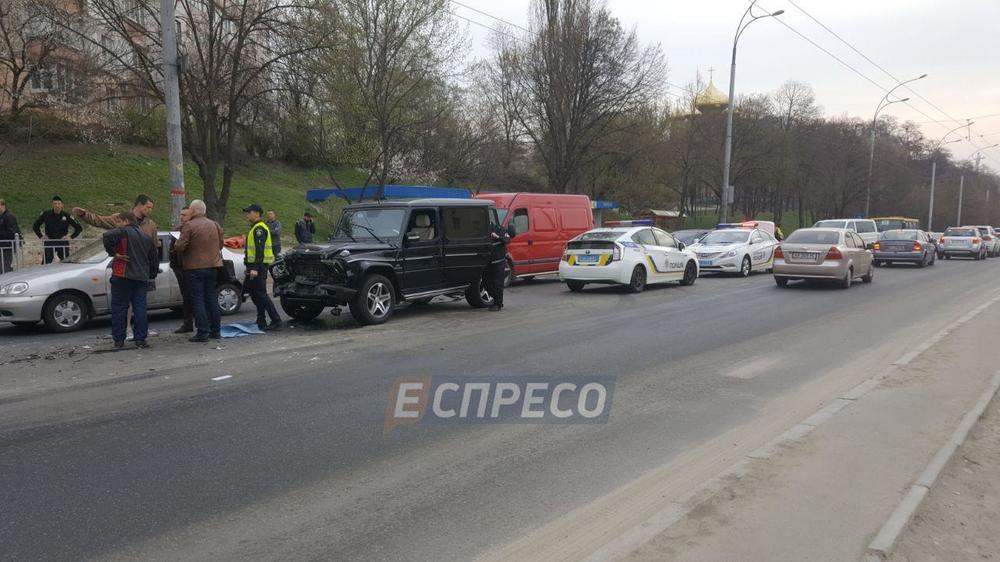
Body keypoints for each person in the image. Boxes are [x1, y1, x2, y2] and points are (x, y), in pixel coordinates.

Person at [74, 195, 160, 338]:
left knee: (138, 304)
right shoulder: (121, 219)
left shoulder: (150, 224)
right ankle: (127, 330)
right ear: (139, 205)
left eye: (151, 208)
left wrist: (152, 270)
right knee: (125, 304)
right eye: (148, 207)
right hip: (124, 269)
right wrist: (84, 215)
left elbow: (154, 247)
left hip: (141, 269)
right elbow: (100, 221)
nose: (150, 210)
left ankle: (138, 333)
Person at [102, 212, 159, 349]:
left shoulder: (123, 231)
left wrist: (114, 254)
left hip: (122, 275)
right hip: (141, 278)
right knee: (140, 308)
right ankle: (140, 339)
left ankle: (119, 339)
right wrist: (151, 274)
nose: (117, 224)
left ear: (125, 221)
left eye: (118, 221)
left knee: (120, 308)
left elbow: (107, 235)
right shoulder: (146, 237)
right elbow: (154, 259)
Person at [175, 200, 225, 342]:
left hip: (194, 268)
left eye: (190, 209)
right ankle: (215, 330)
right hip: (213, 267)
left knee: (198, 300)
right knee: (211, 299)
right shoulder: (215, 225)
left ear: (194, 210)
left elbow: (180, 246)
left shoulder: (189, 226)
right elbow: (221, 244)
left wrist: (177, 244)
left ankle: (202, 332)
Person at [243, 204, 282, 331]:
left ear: (256, 213)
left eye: (249, 212)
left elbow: (259, 251)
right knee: (255, 294)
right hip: (255, 266)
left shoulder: (259, 229)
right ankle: (261, 319)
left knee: (261, 294)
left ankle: (275, 320)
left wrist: (254, 268)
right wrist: (249, 266)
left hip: (259, 266)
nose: (247, 215)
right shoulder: (255, 227)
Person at [32, 195, 83, 264]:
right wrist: (41, 236)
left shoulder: (67, 215)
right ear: (52, 205)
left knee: (67, 263)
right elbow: (35, 226)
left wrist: (70, 237)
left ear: (62, 205)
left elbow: (79, 228)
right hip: (50, 241)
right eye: (55, 203)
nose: (57, 205)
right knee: (46, 263)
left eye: (59, 204)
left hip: (62, 242)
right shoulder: (46, 214)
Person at [169, 206, 194, 333]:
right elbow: (172, 251)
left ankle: (201, 324)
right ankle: (188, 323)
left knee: (196, 296)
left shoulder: (194, 229)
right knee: (186, 297)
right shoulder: (177, 231)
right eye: (181, 215)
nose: (181, 218)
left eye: (185, 215)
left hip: (194, 268)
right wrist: (175, 267)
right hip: (181, 269)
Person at [488, 222, 513, 312]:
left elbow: (507, 239)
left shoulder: (499, 229)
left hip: (499, 262)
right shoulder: (483, 230)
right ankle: (496, 300)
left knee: (497, 284)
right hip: (488, 263)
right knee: (487, 283)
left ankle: (498, 304)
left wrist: (497, 237)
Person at [0, 198, 21, 274]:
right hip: (3, 246)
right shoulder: (2, 216)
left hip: (8, 247)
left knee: (4, 268)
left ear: (2, 206)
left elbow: (12, 232)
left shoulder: (9, 216)